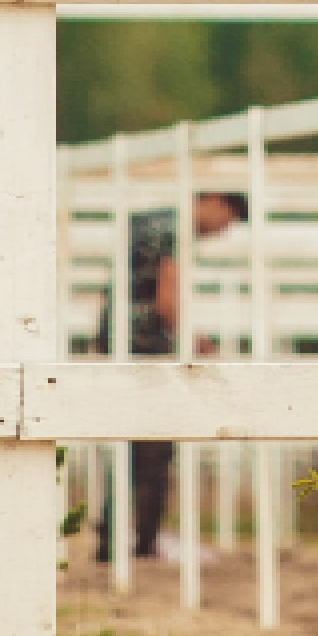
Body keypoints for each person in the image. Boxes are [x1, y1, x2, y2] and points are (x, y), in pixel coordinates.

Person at [98, 188, 248, 563]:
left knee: (122, 446)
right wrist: (194, 341)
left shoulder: (148, 222)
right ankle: (142, 541)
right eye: (225, 222)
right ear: (214, 202)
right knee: (153, 449)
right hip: (146, 349)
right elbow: (167, 299)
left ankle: (113, 537)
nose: (220, 232)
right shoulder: (173, 230)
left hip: (117, 344)